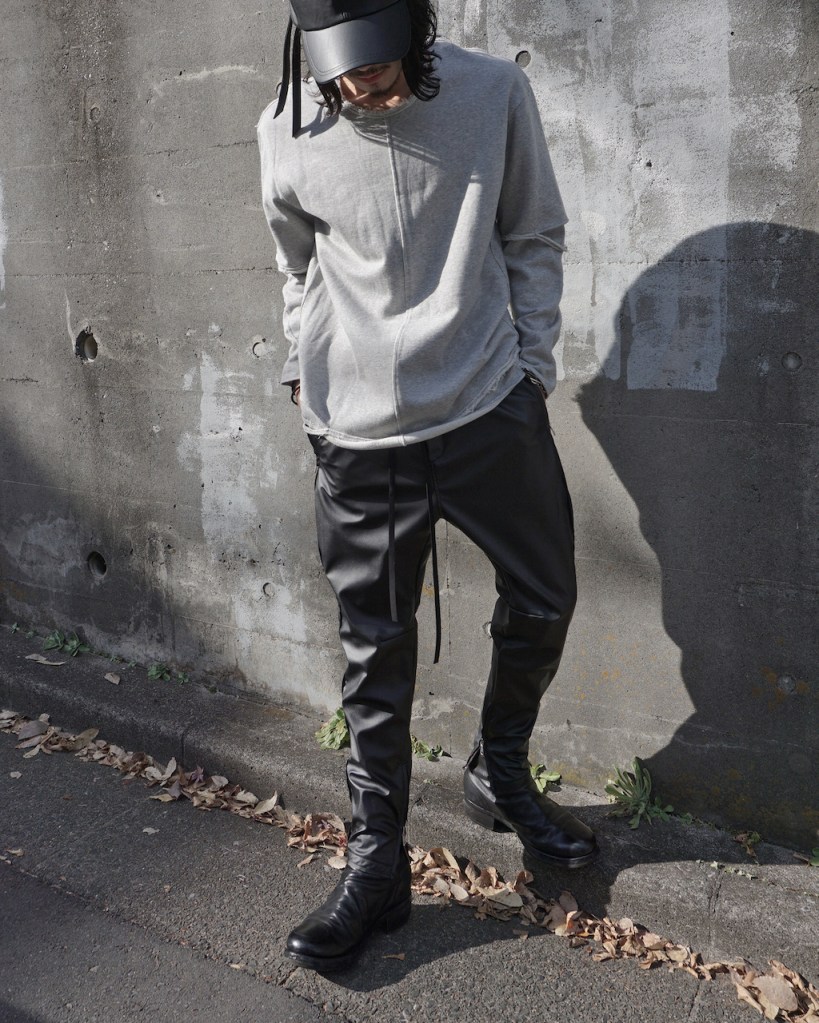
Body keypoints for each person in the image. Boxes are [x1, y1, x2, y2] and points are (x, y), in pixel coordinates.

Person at [257, 0, 598, 973]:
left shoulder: (494, 92)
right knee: (375, 651)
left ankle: (500, 769)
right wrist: (302, 372)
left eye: (376, 57)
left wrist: (532, 369)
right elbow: (296, 267)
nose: (359, 80)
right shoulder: (284, 127)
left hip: (487, 403)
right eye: (339, 64)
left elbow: (533, 230)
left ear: (414, 22)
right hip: (357, 433)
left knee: (545, 597)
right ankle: (377, 863)